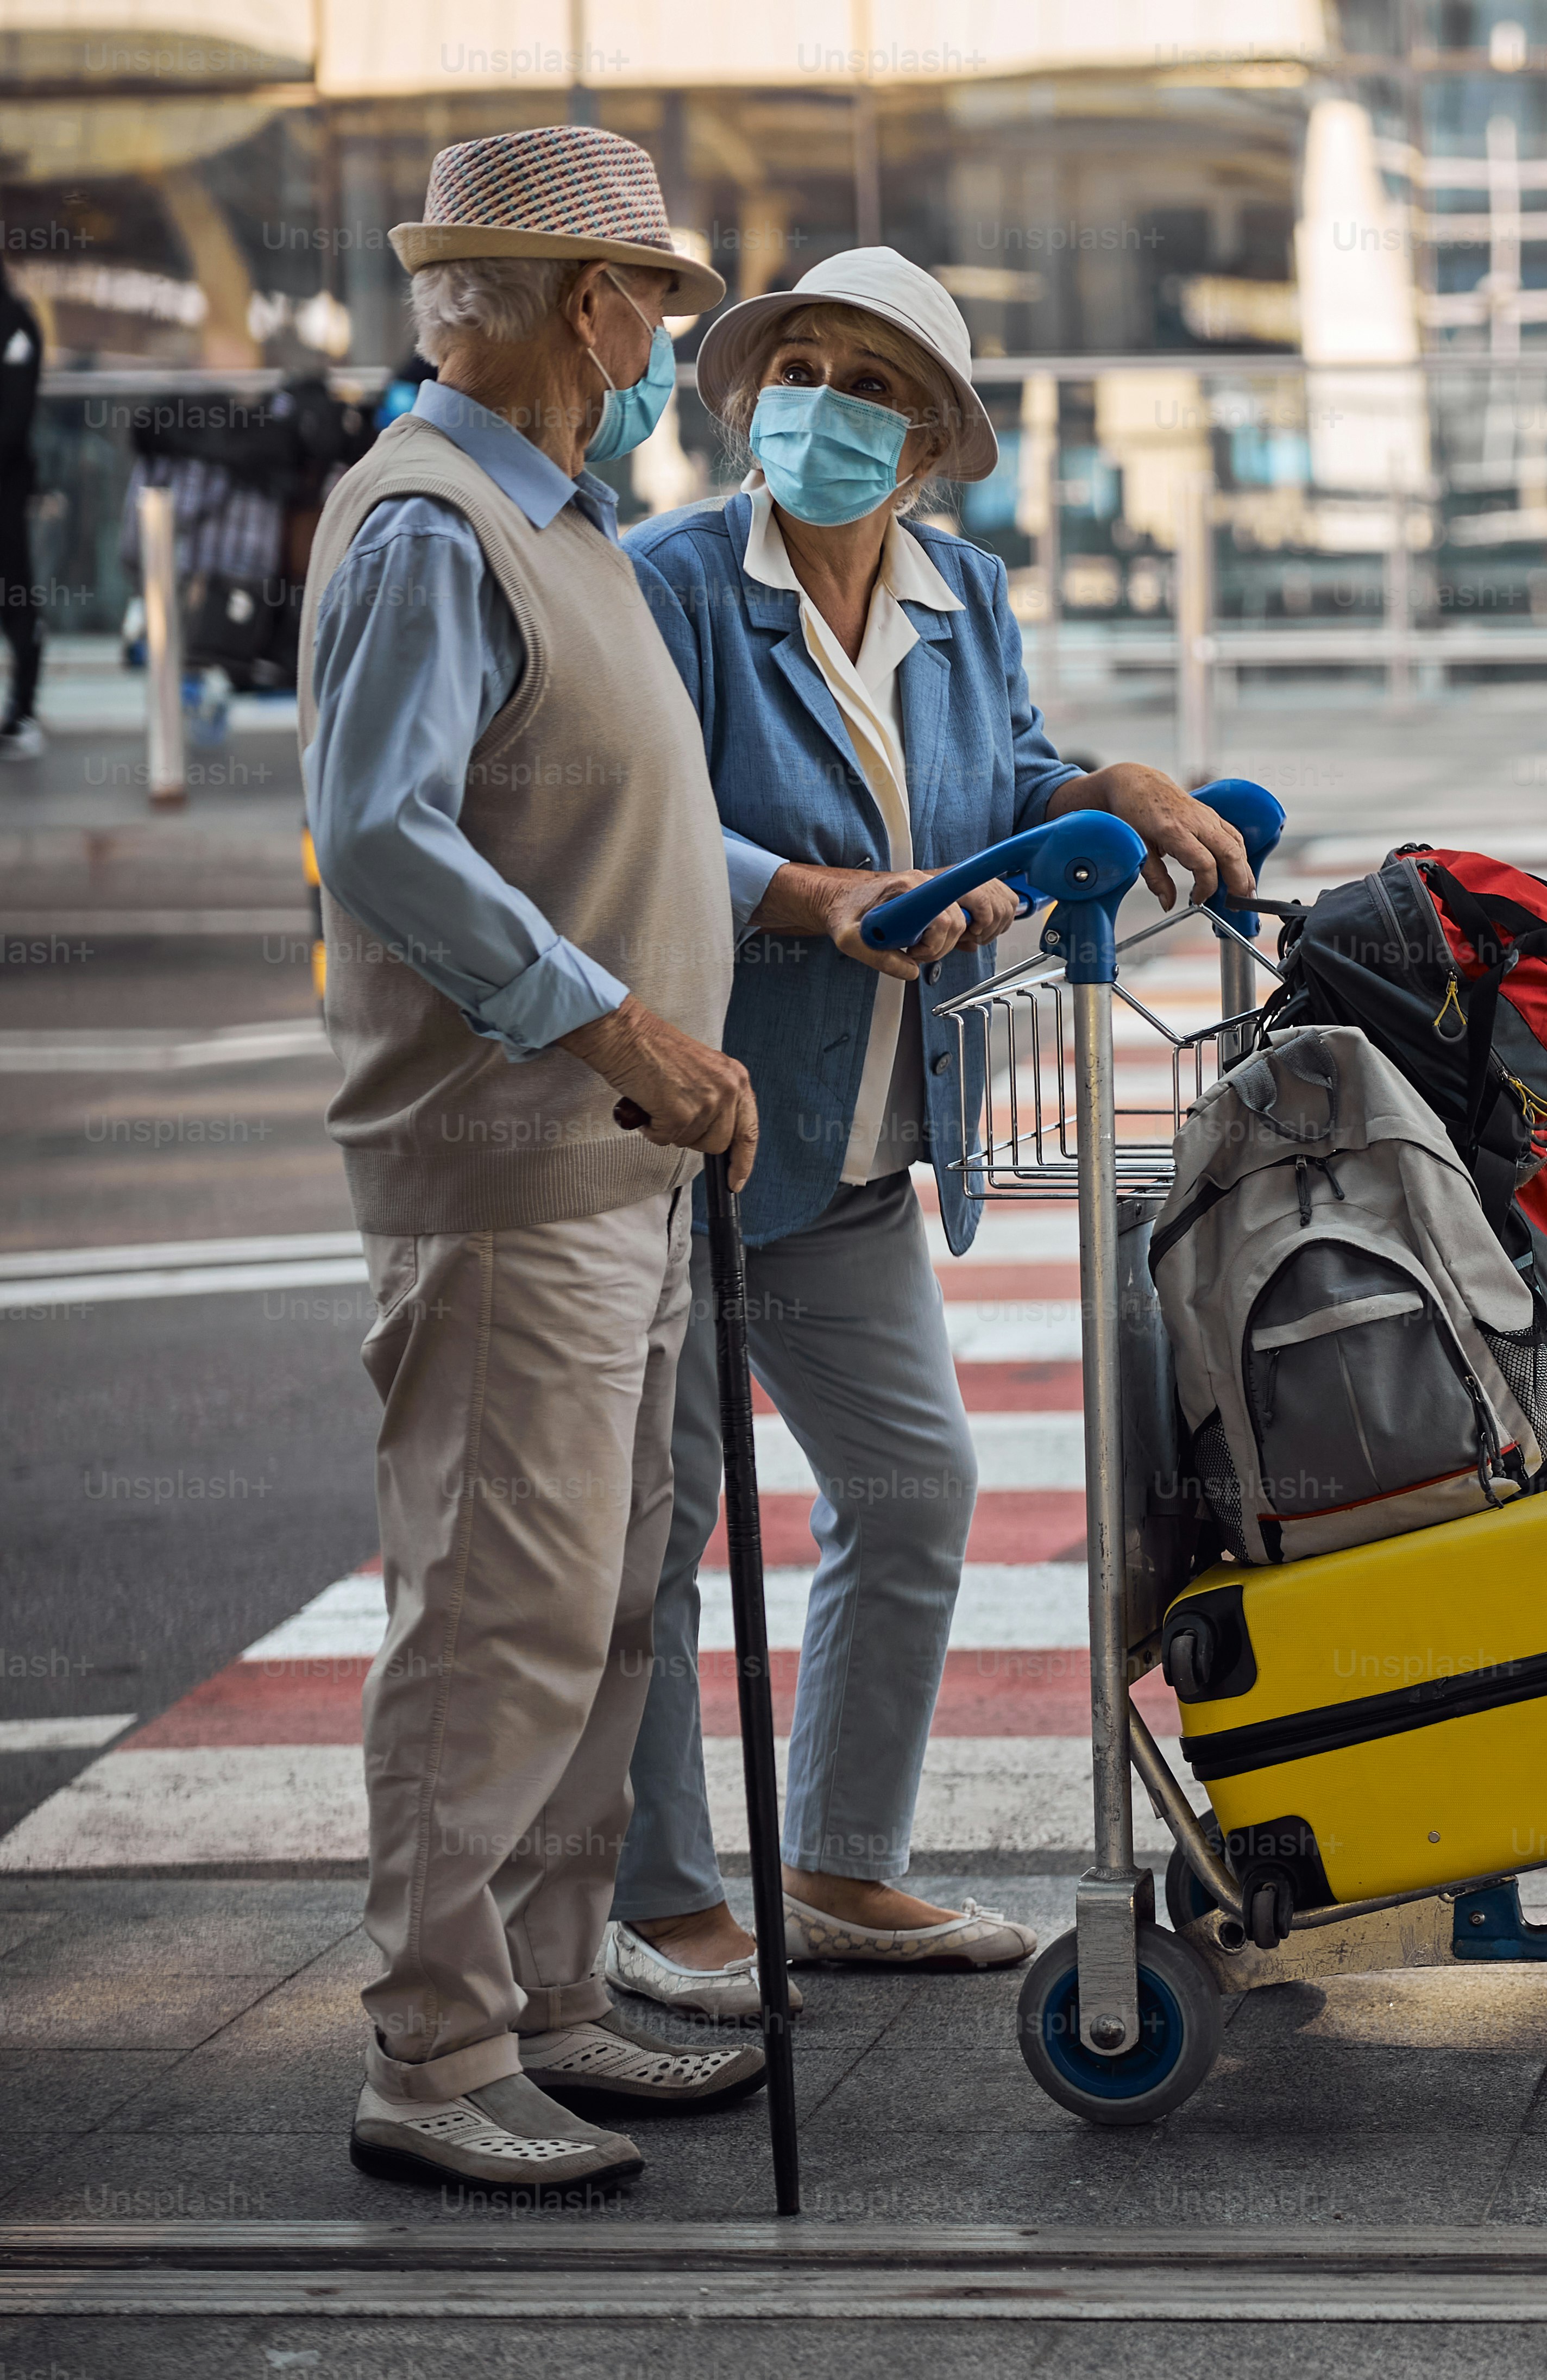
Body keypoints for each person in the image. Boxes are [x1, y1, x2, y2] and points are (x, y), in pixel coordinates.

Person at [603, 247, 1253, 2014]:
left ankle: (835, 1865)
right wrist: (812, 896)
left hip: (863, 1140)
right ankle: (660, 1900)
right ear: (754, 395)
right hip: (678, 1125)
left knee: (916, 1495)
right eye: (803, 364)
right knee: (657, 1531)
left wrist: (1104, 787)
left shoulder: (963, 594)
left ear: (932, 442)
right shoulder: (666, 587)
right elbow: (618, 833)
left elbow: (1008, 782)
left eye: (875, 384)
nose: (826, 401)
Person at [301, 124, 766, 2196]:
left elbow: (604, 807)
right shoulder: (428, 528)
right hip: (514, 1169)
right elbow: (387, 836)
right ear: (587, 311)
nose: (661, 339)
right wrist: (622, 1029)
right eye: (651, 304)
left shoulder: (554, 517)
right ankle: (433, 2042)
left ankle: (551, 1996)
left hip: (619, 1164)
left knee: (593, 1610)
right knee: (496, 1614)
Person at [0, 259, 42, 758]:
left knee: (16, 597)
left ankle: (23, 709)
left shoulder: (15, 322)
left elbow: (15, 418)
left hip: (6, 493)